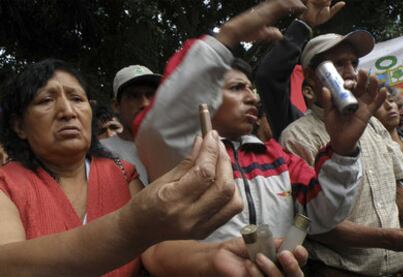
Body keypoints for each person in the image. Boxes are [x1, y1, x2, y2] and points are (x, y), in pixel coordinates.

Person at [136, 0, 385, 258]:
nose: (253, 98)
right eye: (236, 88)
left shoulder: (278, 157)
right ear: (206, 98)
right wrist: (228, 36)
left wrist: (343, 152)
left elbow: (323, 215)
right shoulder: (184, 155)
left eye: (251, 90)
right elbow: (162, 123)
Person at [0, 58, 269, 276]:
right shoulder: (6, 184)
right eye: (46, 100)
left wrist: (213, 257)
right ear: (19, 126)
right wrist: (130, 226)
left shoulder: (121, 171)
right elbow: (8, 263)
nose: (67, 111)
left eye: (77, 99)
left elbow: (154, 251)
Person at [271, 23, 403, 277]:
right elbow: (312, 222)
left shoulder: (372, 124)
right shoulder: (296, 137)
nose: (350, 73)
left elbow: (398, 192)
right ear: (311, 79)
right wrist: (394, 239)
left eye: (354, 63)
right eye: (337, 64)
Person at [101, 65, 159, 185]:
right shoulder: (101, 153)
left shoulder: (172, 147)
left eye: (150, 95)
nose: (145, 103)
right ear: (116, 106)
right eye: (134, 96)